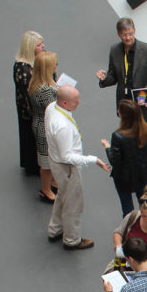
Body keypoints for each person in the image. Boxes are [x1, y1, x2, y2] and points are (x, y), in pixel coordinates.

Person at [96, 17, 147, 188]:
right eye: (124, 35)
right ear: (119, 34)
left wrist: (146, 93)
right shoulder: (115, 50)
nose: (128, 37)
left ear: (134, 31)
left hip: (144, 105)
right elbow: (114, 76)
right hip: (126, 105)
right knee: (130, 139)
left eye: (130, 34)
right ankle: (138, 171)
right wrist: (104, 79)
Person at [44, 85, 109, 250]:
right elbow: (66, 156)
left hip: (56, 162)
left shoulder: (51, 108)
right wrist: (93, 159)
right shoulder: (63, 126)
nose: (79, 102)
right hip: (67, 168)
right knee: (73, 203)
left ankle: (55, 229)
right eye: (75, 101)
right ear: (65, 103)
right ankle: (72, 239)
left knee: (63, 195)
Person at [101, 99, 147, 215]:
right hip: (141, 174)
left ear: (123, 115)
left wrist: (107, 147)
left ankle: (130, 224)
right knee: (145, 203)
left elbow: (115, 161)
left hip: (123, 177)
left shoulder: (118, 136)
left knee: (127, 208)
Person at [28, 50, 58, 203]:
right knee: (46, 161)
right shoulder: (44, 90)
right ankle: (46, 189)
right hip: (45, 128)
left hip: (45, 124)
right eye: (54, 64)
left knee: (51, 156)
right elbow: (54, 108)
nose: (56, 66)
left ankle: (52, 181)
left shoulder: (44, 83)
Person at [13, 30, 43, 177]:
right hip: (30, 109)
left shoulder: (34, 61)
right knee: (30, 136)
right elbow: (26, 93)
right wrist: (33, 111)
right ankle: (32, 165)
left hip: (34, 107)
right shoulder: (23, 68)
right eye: (39, 45)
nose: (42, 46)